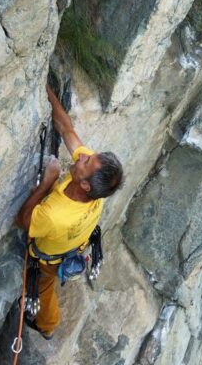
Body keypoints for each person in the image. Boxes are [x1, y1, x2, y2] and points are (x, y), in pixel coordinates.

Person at [14, 84, 124, 339]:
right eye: (88, 156)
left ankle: (47, 326)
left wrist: (47, 183)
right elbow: (67, 129)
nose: (82, 157)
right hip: (76, 242)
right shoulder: (98, 190)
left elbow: (22, 221)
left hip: (51, 258)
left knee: (43, 287)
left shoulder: (55, 214)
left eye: (86, 162)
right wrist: (44, 89)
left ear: (84, 184)